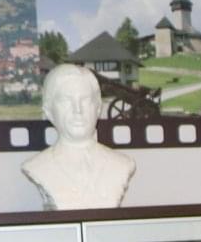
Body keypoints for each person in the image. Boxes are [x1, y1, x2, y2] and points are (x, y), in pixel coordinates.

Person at [20, 63, 136, 210]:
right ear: (49, 111)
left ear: (98, 108)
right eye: (66, 100)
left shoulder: (122, 164)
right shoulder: (37, 166)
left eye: (85, 99)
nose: (78, 110)